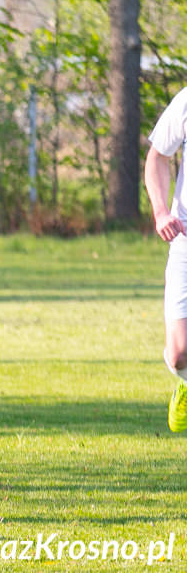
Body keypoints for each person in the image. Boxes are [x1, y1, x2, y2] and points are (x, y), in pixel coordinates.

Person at [145, 87, 187, 433]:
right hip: (185, 241)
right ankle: (185, 382)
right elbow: (157, 157)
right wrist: (161, 213)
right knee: (179, 354)